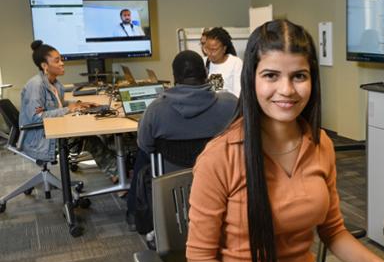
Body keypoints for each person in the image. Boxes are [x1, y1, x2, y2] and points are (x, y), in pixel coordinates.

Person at [186, 19, 384, 262]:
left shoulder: (320, 145)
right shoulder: (219, 156)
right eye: (271, 75)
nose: (287, 90)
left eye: (299, 76)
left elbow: (333, 232)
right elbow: (199, 261)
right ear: (251, 79)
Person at [128, 49, 238, 237]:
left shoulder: (156, 109)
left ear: (174, 78)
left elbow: (145, 144)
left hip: (172, 182)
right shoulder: (230, 104)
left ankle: (138, 215)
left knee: (143, 155)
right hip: (219, 181)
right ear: (206, 74)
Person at [20, 40, 119, 181]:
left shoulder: (55, 83)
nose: (62, 63)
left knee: (99, 134)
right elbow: (37, 117)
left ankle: (118, 172)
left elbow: (57, 104)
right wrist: (68, 109)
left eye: (61, 59)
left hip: (49, 132)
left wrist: (78, 104)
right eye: (57, 60)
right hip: (40, 140)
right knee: (92, 140)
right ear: (44, 66)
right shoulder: (36, 86)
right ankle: (118, 177)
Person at [204, 27, 243, 96]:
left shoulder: (235, 63)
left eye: (214, 50)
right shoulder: (203, 62)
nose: (210, 53)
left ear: (224, 48)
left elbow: (238, 93)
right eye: (207, 49)